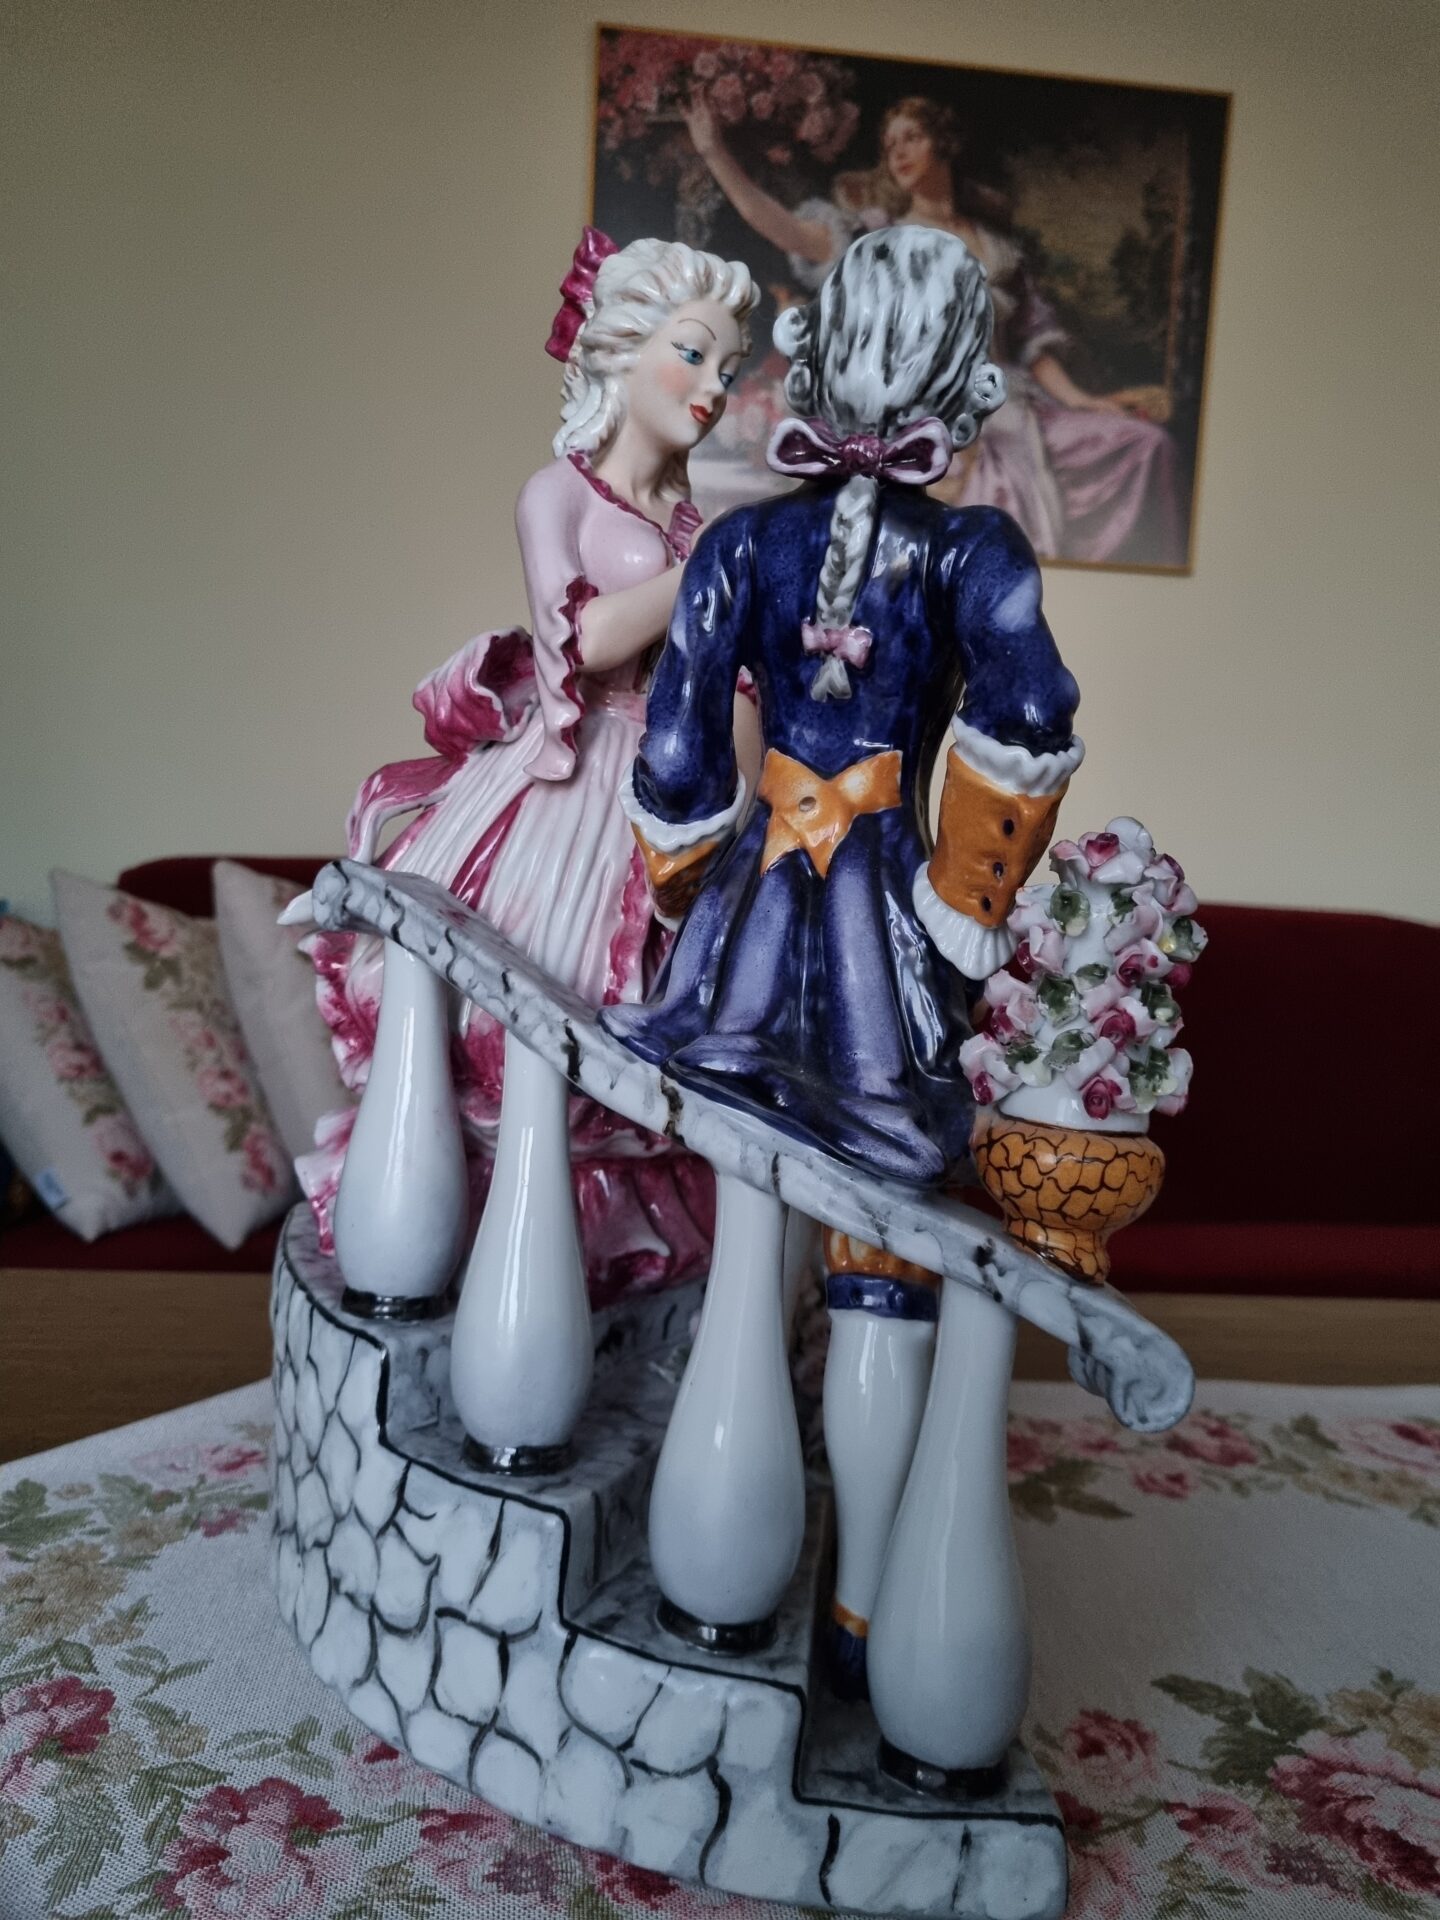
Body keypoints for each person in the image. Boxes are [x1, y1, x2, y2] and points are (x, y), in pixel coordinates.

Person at [603, 225, 1084, 1684]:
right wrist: (963, 906)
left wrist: (683, 888)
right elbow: (1030, 722)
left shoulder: (742, 542)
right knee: (883, 1251)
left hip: (752, 927)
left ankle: (721, 1593)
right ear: (967, 381)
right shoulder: (977, 554)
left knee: (753, 1228)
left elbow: (678, 746)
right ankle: (864, 1604)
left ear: (812, 364)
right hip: (886, 935)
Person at [301, 230, 760, 1307]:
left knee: (641, 1050)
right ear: (622, 352)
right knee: (519, 1030)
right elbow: (583, 638)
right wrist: (709, 570)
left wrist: (743, 796)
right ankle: (455, 1255)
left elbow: (730, 677)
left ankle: (579, 1268)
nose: (714, 389)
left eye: (729, 370)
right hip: (568, 782)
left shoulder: (692, 523)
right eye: (693, 354)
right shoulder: (559, 494)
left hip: (665, 792)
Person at [683, 90, 1181, 566]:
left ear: (943, 143)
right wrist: (713, 152)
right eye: (889, 145)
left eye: (911, 138)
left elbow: (1034, 344)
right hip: (925, 415)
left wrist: (1081, 401)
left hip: (1014, 404)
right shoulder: (878, 235)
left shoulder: (996, 246)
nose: (898, 153)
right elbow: (785, 229)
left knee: (1147, 444)